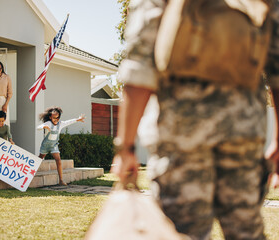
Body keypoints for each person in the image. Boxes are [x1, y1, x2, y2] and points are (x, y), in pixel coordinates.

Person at [110, 0, 279, 239]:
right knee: (246, 231)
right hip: (243, 132)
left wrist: (125, 147)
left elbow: (139, 65)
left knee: (182, 232)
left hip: (180, 135)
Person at [37, 106, 85, 186]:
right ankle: (30, 174)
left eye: (58, 118)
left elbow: (68, 122)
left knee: (58, 160)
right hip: (45, 145)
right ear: (50, 117)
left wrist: (78, 119)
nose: (56, 119)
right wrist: (43, 126)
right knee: (40, 159)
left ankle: (61, 180)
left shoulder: (60, 124)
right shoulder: (48, 123)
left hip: (54, 145)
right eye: (54, 118)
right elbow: (38, 127)